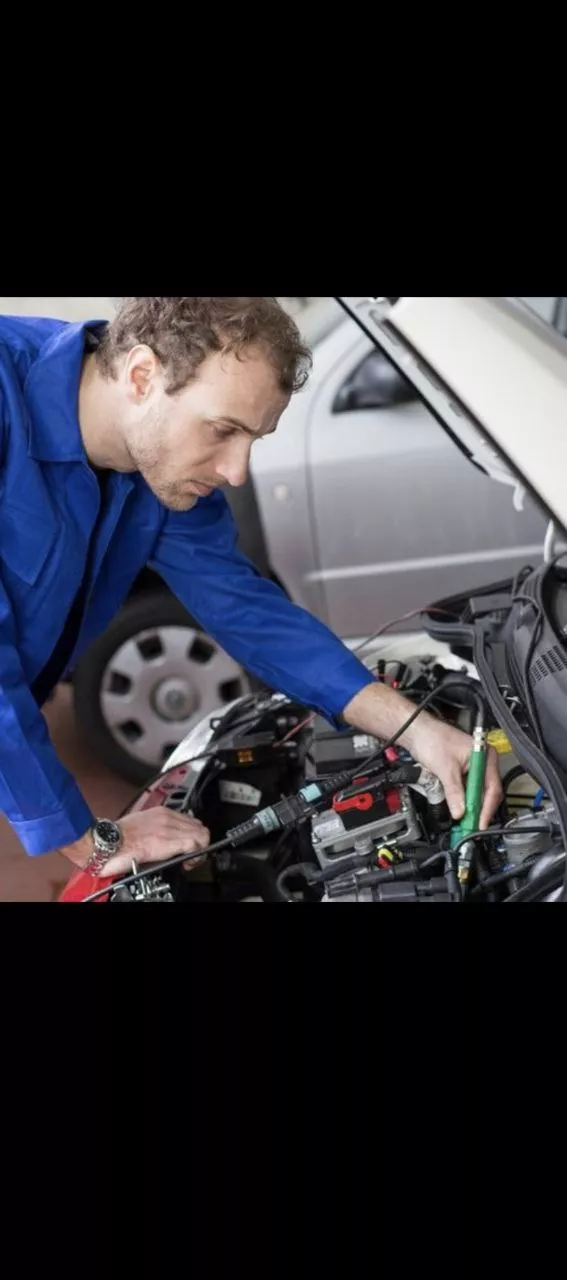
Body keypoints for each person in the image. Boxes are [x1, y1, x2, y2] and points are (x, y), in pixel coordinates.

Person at [0, 297, 502, 881]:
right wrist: (93, 842)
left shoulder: (158, 469)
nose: (236, 472)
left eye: (253, 440)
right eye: (223, 430)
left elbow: (246, 609)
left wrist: (415, 729)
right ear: (141, 376)